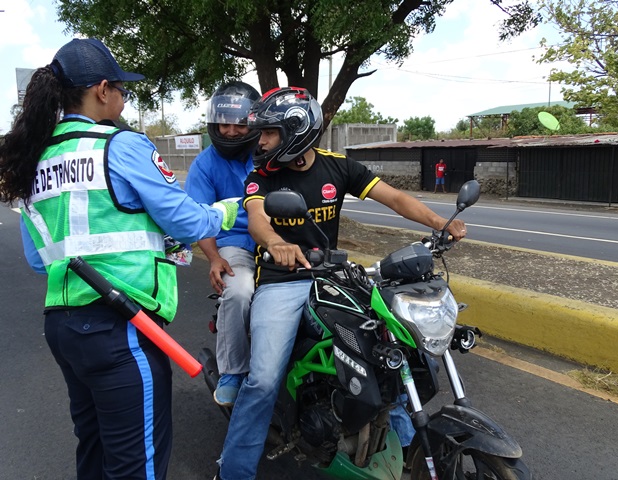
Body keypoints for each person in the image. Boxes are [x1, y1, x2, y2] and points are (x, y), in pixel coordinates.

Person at [0, 38, 238, 480]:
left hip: (63, 328)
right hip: (123, 327)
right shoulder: (122, 146)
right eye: (123, 89)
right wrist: (227, 210)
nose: (125, 99)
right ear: (102, 89)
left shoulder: (34, 159)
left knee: (93, 451)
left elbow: (38, 260)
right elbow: (188, 222)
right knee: (136, 466)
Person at [215, 87, 467, 480]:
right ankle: (233, 472)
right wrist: (277, 244)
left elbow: (394, 198)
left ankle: (397, 440)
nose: (259, 141)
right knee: (263, 380)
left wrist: (440, 223)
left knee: (390, 345)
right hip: (282, 282)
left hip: (332, 277)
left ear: (295, 131)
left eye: (269, 133)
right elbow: (258, 220)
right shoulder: (261, 176)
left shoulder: (338, 167)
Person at [184, 81, 260, 407]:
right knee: (239, 290)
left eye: (239, 124)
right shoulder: (204, 164)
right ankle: (233, 371)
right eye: (223, 124)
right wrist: (214, 258)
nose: (230, 132)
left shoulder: (271, 153)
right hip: (234, 244)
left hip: (278, 241)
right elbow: (199, 219)